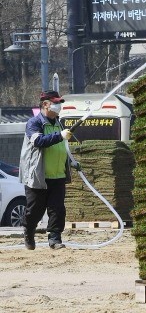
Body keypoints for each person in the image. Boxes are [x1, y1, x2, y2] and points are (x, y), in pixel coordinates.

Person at [19, 90, 80, 250]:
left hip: (58, 175)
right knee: (35, 210)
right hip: (38, 176)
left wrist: (72, 162)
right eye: (56, 102)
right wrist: (60, 135)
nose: (59, 105)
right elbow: (39, 141)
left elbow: (62, 148)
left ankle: (55, 239)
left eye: (60, 102)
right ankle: (29, 231)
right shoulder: (34, 123)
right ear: (45, 104)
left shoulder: (58, 123)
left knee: (57, 209)